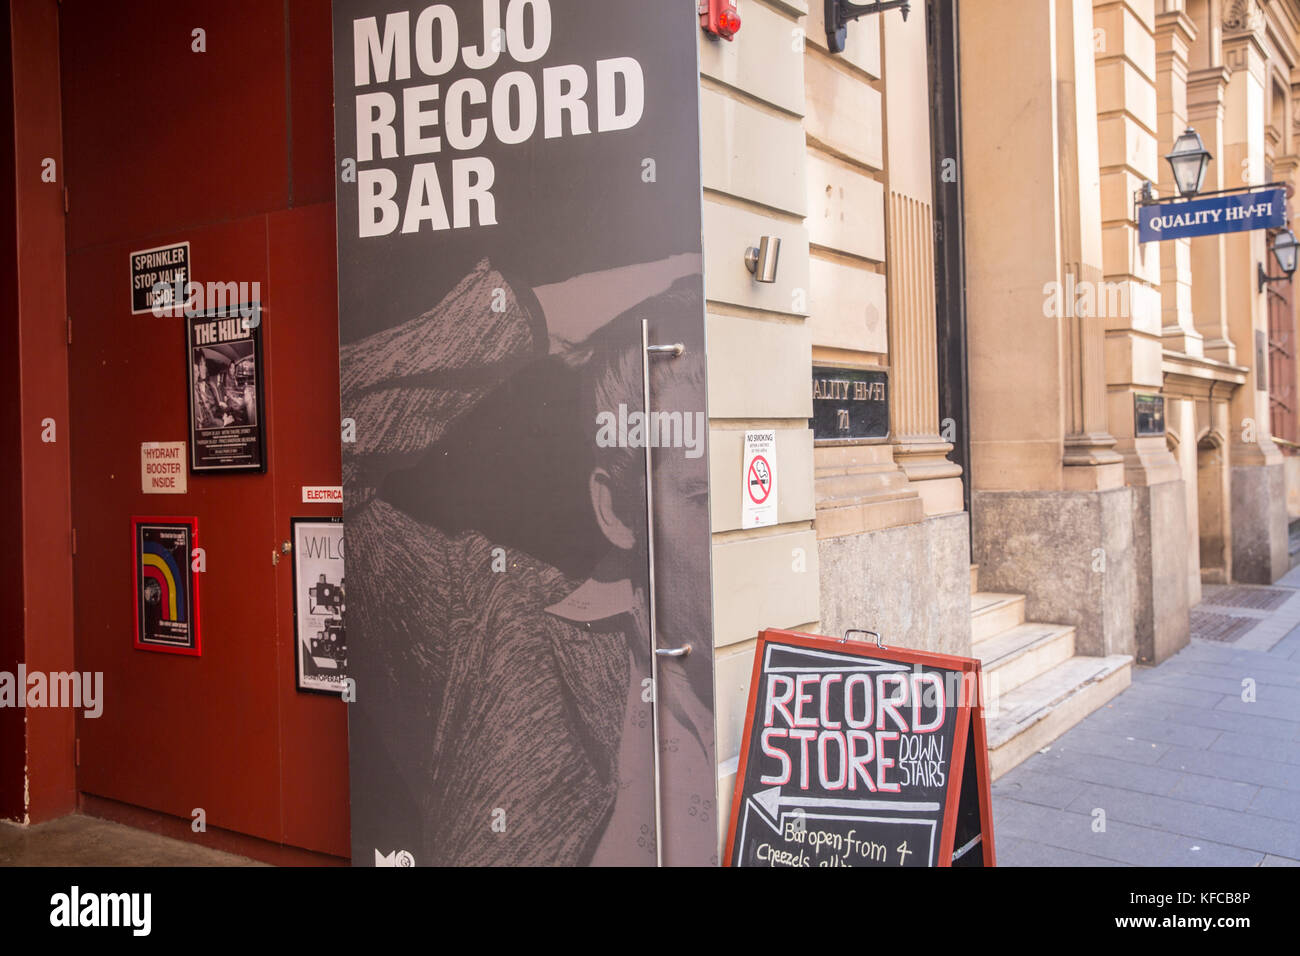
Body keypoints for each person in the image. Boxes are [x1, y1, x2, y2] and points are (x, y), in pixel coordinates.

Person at [344, 263, 715, 866]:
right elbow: (317, 467)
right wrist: (537, 317)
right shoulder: (490, 627)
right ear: (616, 512)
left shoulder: (797, 694)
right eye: (701, 498)